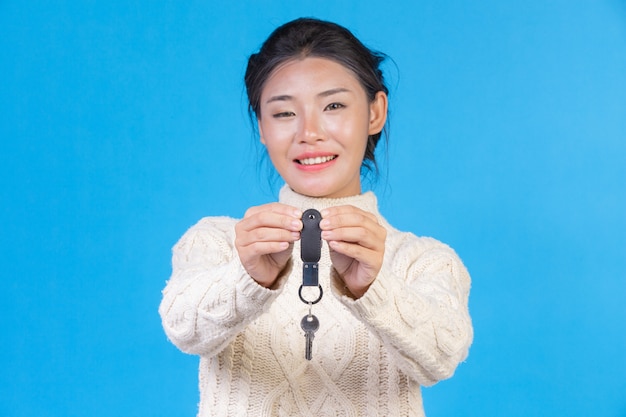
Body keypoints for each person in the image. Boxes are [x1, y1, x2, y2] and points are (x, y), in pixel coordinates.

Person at [159, 17, 473, 417]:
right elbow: (183, 329)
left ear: (376, 112)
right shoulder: (220, 242)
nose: (309, 133)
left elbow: (442, 356)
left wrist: (374, 289)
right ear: (262, 126)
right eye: (284, 113)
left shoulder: (422, 260)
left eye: (334, 106)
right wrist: (247, 278)